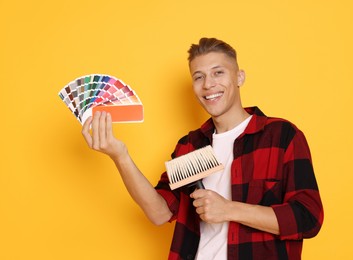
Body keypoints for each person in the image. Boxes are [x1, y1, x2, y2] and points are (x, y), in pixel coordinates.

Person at [82, 37, 324, 260]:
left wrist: (229, 209)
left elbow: (308, 219)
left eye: (218, 73)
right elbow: (160, 213)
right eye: (199, 77)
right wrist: (120, 156)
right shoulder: (190, 146)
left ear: (239, 77)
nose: (208, 84)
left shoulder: (281, 136)